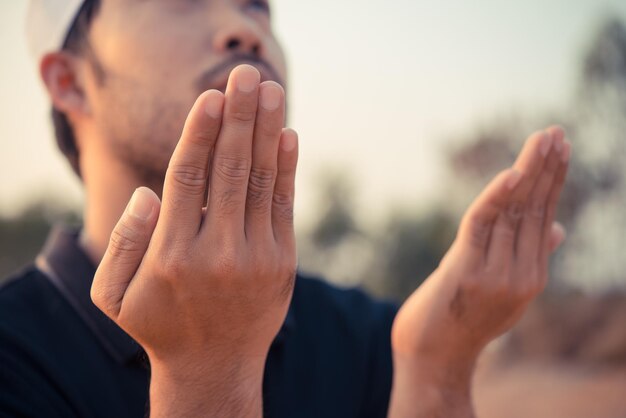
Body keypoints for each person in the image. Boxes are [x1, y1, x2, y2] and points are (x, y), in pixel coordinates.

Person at [0, 1, 570, 417]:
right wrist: (207, 375)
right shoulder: (15, 355)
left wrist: (437, 369)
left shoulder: (369, 338)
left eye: (257, 8)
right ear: (70, 81)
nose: (243, 31)